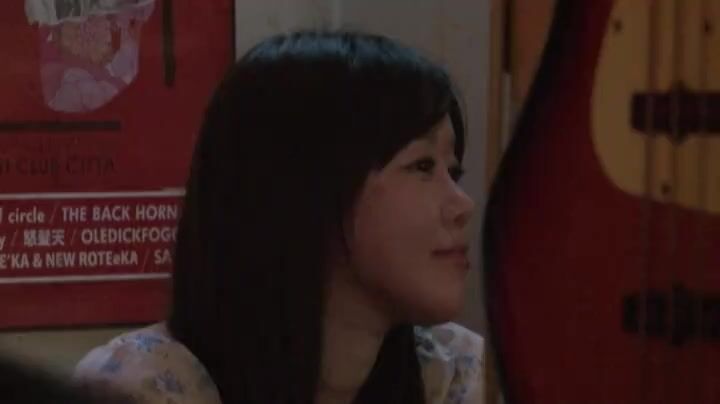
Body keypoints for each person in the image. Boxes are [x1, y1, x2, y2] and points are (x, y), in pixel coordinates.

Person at [73, 30, 484, 404]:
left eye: (454, 171)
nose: (463, 205)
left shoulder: (455, 373)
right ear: (306, 187)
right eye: (422, 166)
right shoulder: (142, 388)